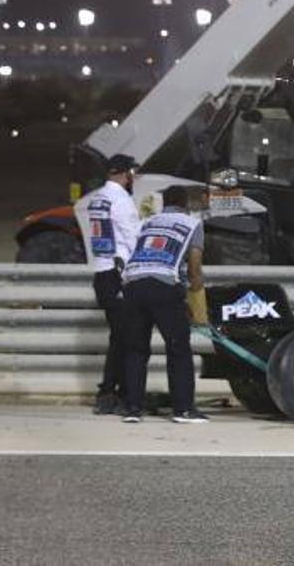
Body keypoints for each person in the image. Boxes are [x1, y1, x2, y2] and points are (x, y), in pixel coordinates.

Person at [119, 184, 210, 424]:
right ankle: (183, 410)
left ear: (164, 203)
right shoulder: (192, 224)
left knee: (136, 351)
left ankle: (133, 409)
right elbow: (195, 267)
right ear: (186, 203)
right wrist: (197, 301)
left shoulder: (149, 222)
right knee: (178, 348)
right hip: (164, 286)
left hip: (133, 285)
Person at [81, 154, 141, 415]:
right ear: (124, 173)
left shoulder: (98, 198)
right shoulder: (122, 200)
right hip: (119, 275)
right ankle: (117, 395)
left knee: (119, 337)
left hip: (102, 273)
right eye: (132, 172)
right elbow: (133, 237)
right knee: (128, 338)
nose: (134, 177)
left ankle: (111, 393)